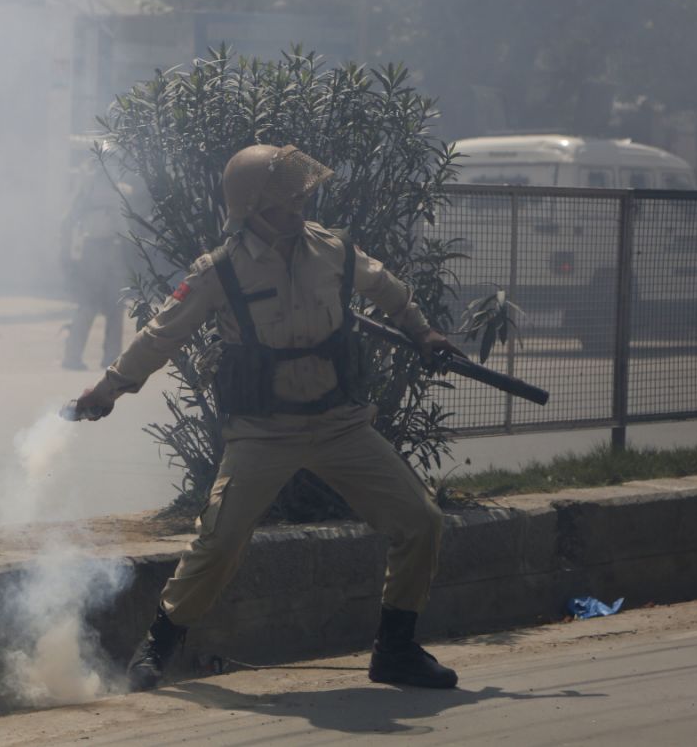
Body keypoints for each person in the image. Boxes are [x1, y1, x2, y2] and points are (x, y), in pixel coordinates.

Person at [71, 143, 465, 692]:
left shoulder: (333, 250)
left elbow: (388, 290)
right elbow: (162, 334)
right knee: (220, 542)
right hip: (263, 433)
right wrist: (108, 388)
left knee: (422, 522)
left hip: (339, 425)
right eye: (285, 203)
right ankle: (159, 644)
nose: (298, 210)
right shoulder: (219, 271)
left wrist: (423, 332)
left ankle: (396, 650)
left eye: (301, 198)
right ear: (250, 208)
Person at [60, 175, 130, 370]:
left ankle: (80, 357)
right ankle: (104, 359)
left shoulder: (91, 187)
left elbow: (68, 220)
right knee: (97, 305)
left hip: (104, 249)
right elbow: (69, 220)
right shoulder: (99, 188)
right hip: (101, 249)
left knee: (103, 306)